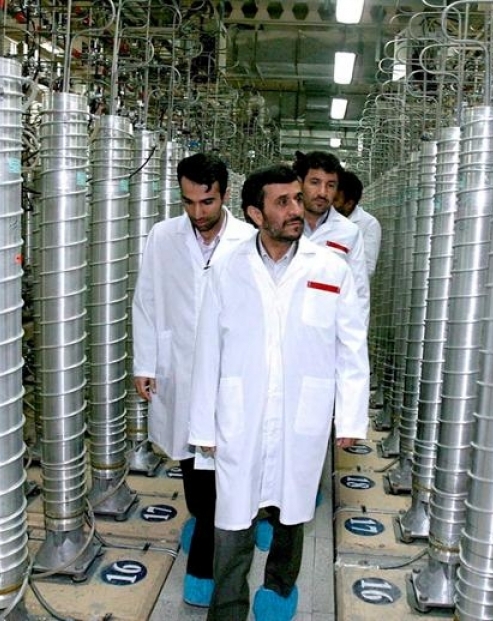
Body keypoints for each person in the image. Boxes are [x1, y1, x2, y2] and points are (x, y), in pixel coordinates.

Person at [188, 164, 370, 621]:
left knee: (293, 511)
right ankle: (227, 609)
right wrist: (202, 425)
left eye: (296, 198)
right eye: (283, 202)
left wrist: (350, 416)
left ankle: (279, 590)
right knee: (233, 520)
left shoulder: (329, 267)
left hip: (301, 411)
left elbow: (351, 345)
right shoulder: (227, 268)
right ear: (255, 213)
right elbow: (208, 348)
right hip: (239, 411)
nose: (297, 209)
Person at [132, 152, 254, 607]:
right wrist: (145, 362)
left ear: (225, 195)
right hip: (179, 368)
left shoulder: (247, 238)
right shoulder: (163, 236)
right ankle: (206, 525)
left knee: (222, 471)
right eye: (188, 203)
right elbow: (146, 299)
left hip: (230, 374)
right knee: (191, 463)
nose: (197, 213)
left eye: (207, 202)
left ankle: (204, 564)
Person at [292, 150, 369, 315]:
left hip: (328, 327)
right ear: (300, 184)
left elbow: (359, 293)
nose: (322, 192)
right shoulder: (283, 224)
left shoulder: (349, 232)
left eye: (330, 185)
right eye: (314, 182)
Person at [333, 169, 381, 278]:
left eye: (335, 200)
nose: (330, 203)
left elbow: (367, 268)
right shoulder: (324, 217)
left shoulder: (369, 224)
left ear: (349, 203)